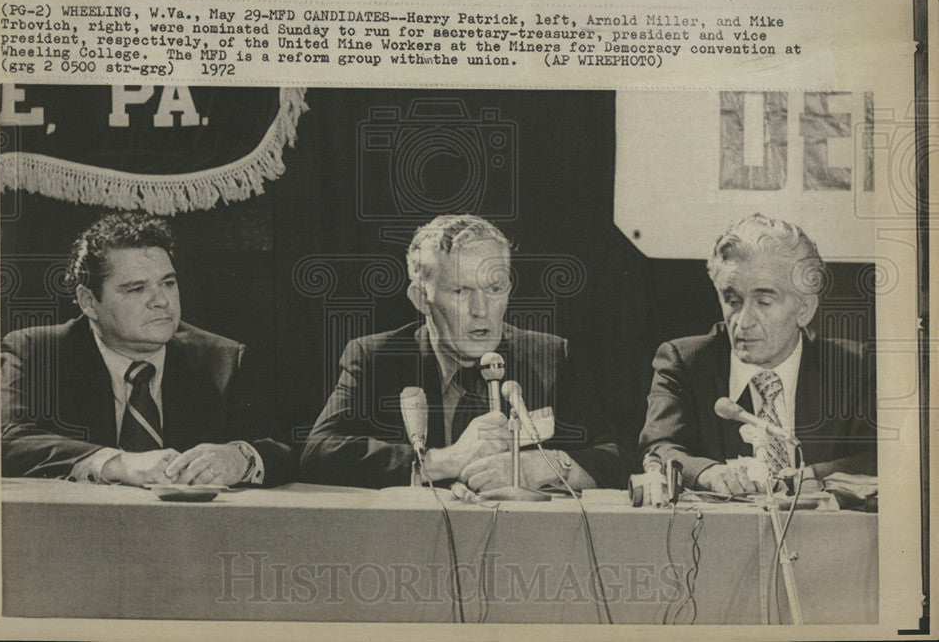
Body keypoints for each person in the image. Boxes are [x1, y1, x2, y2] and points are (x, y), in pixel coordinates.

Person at [300, 214, 629, 491]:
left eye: (495, 288)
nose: (481, 310)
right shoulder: (376, 357)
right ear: (420, 298)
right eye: (461, 291)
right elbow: (318, 453)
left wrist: (538, 467)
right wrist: (445, 461)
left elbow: (616, 457)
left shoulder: (547, 356)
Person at [1, 212, 294, 487]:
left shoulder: (223, 360)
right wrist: (119, 464)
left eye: (168, 283)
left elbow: (283, 452)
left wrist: (240, 458)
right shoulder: (36, 353)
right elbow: (3, 441)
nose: (161, 301)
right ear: (89, 301)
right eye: (136, 289)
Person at [637, 213, 876, 500]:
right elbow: (660, 447)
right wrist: (710, 475)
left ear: (804, 308)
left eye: (764, 302)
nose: (743, 321)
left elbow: (884, 456)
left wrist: (809, 477)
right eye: (732, 301)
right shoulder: (685, 362)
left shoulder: (854, 367)